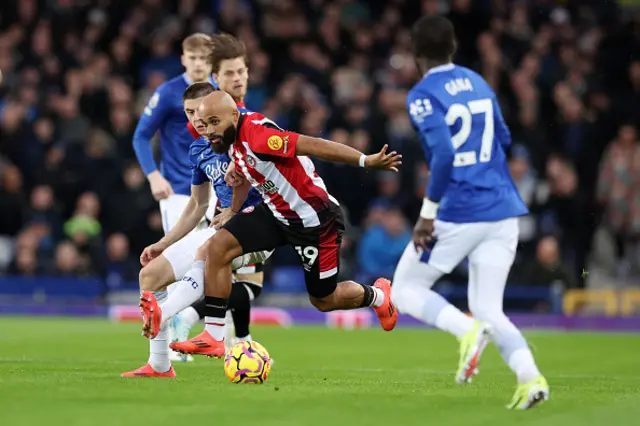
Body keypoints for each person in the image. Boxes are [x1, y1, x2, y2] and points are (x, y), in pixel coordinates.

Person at [141, 90, 401, 357]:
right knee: (216, 248)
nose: (208, 130)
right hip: (275, 212)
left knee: (324, 299)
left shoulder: (260, 136)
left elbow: (313, 144)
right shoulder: (230, 140)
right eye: (205, 124)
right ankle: (214, 337)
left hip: (315, 220)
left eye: (214, 122)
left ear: (234, 115)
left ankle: (378, 295)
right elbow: (242, 172)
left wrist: (364, 160)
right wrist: (232, 210)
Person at [390, 16, 549, 409]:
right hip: (503, 209)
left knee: (404, 289)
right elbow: (505, 138)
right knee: (490, 307)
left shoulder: (423, 94)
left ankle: (466, 331)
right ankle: (531, 379)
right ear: (454, 46)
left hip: (461, 209)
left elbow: (443, 154)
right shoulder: (479, 82)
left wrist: (427, 214)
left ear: (416, 53)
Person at [121, 82, 270, 378]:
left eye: (200, 112)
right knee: (149, 276)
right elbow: (197, 204)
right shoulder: (199, 149)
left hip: (259, 227)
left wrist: (234, 211)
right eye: (189, 113)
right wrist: (163, 243)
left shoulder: (244, 136)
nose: (195, 120)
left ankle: (167, 314)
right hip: (220, 229)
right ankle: (160, 365)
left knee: (212, 255)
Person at [132, 33, 217, 362]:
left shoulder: (218, 95)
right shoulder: (168, 93)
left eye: (203, 58)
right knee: (173, 265)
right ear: (183, 59)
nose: (197, 63)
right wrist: (154, 175)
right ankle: (165, 347)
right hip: (180, 193)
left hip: (216, 191)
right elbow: (141, 136)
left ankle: (186, 324)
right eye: (192, 57)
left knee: (209, 264)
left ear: (211, 62)